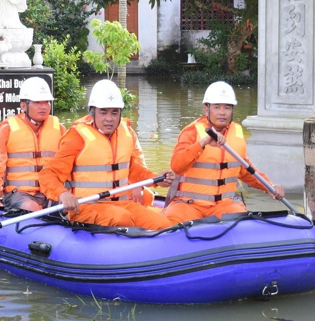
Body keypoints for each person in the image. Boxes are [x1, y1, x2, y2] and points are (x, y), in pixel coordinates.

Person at [40, 79, 175, 230]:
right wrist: (63, 195)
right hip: (86, 206)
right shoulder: (76, 138)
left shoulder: (126, 134)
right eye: (103, 112)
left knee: (164, 225)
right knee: (122, 219)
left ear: (120, 113)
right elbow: (48, 174)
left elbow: (132, 170)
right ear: (92, 112)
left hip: (122, 203)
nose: (109, 119)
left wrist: (157, 179)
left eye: (114, 112)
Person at [163, 81, 285, 224]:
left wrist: (269, 186)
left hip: (224, 205)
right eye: (217, 107)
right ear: (206, 109)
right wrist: (202, 143)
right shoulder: (191, 132)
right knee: (170, 223)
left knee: (243, 225)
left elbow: (246, 171)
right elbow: (177, 166)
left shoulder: (237, 132)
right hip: (190, 204)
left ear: (232, 110)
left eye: (227, 108)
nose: (222, 112)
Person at [0, 77, 64, 214]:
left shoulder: (59, 129)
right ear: (23, 105)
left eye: (47, 102)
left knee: (72, 209)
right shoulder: (7, 129)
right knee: (31, 208)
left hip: (51, 192)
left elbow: (68, 164)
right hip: (19, 193)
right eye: (37, 102)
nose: (43, 107)